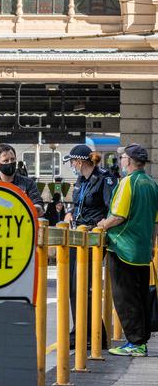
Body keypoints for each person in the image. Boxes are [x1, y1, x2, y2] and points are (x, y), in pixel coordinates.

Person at [97, 144, 158, 357]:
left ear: (129, 161)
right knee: (140, 297)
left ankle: (135, 343)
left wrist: (102, 224)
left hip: (123, 248)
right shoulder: (151, 184)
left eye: (122, 157)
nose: (120, 161)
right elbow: (154, 221)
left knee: (125, 298)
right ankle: (140, 341)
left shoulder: (128, 183)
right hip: (142, 251)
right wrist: (151, 245)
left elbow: (118, 216)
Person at [63, 144, 116, 347]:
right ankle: (80, 331)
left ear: (80, 161)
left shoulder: (105, 179)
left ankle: (94, 335)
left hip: (93, 237)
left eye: (73, 162)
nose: (73, 166)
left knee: (84, 286)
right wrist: (69, 213)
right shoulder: (81, 180)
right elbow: (78, 204)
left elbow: (111, 207)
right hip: (78, 236)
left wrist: (100, 226)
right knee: (73, 286)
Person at [0, 144, 45, 217]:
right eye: (6, 160)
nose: (10, 162)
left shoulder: (28, 183)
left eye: (12, 159)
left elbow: (37, 201)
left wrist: (37, 208)